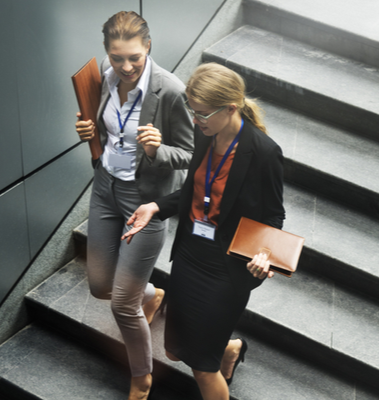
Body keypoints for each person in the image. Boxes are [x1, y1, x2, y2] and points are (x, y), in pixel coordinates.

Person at [122, 62, 285, 400]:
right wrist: (156, 206)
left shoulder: (264, 153)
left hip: (227, 267)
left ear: (230, 108)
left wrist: (264, 255)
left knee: (201, 365)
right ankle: (229, 349)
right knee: (173, 351)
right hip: (190, 253)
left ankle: (217, 357)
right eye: (193, 111)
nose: (195, 120)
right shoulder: (204, 134)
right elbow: (195, 191)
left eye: (202, 114)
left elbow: (274, 215)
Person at [74, 11, 194, 400]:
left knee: (122, 305)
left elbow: (191, 155)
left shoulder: (170, 91)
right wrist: (86, 129)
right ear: (107, 53)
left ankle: (142, 378)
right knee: (99, 286)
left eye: (134, 58)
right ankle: (151, 296)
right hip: (105, 188)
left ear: (148, 49)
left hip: (145, 200)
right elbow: (105, 130)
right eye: (117, 57)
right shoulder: (104, 79)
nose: (125, 67)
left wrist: (158, 150)